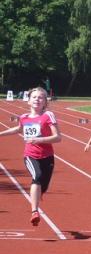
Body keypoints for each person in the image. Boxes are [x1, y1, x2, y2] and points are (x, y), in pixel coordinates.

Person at [0, 87, 61, 226]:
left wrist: (39, 140)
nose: (37, 100)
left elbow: (58, 137)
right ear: (28, 100)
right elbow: (18, 129)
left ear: (45, 102)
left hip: (47, 156)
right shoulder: (24, 117)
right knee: (37, 176)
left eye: (40, 97)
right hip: (30, 155)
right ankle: (35, 211)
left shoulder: (48, 116)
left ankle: (38, 195)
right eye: (34, 97)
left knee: (43, 187)